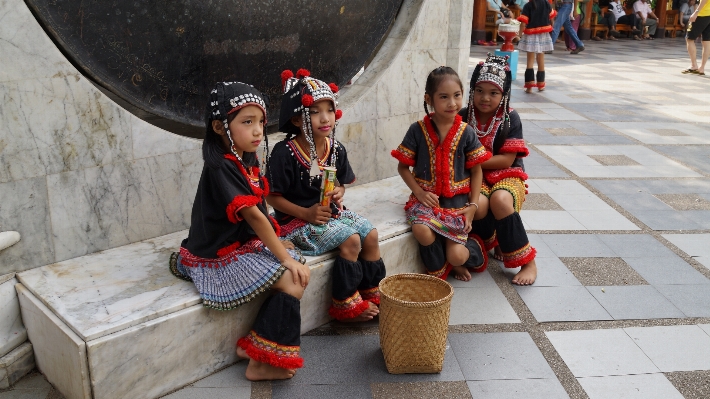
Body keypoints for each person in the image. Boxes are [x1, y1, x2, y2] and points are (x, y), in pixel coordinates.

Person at [169, 82, 310, 381]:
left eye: (260, 121)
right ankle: (260, 362)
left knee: (297, 273)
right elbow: (255, 217)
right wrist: (283, 256)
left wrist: (281, 247)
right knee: (292, 278)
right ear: (220, 127)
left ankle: (257, 351)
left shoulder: (245, 157)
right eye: (247, 122)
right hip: (217, 253)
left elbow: (261, 212)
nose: (259, 130)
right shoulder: (221, 166)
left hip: (240, 242)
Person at [267, 69, 386, 322]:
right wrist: (306, 213)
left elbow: (342, 184)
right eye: (315, 111)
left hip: (330, 215)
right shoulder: (284, 153)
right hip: (296, 223)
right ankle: (345, 304)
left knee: (371, 234)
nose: (325, 118)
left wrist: (339, 192)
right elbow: (272, 198)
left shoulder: (336, 149)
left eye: (330, 110)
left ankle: (372, 291)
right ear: (298, 119)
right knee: (352, 240)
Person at [391, 66, 489, 282]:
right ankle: (441, 268)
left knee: (457, 255)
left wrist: (472, 206)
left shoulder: (467, 132)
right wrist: (419, 192)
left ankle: (469, 253)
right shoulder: (417, 130)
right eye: (443, 97)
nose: (452, 103)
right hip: (428, 202)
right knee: (421, 231)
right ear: (429, 99)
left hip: (459, 203)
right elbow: (402, 167)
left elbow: (476, 170)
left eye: (457, 96)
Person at [459, 55, 538, 286]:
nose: (485, 98)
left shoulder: (510, 118)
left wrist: (472, 162)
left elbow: (506, 159)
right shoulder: (464, 115)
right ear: (472, 89)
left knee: (501, 199)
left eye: (493, 93)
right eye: (480, 90)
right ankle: (496, 239)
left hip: (507, 174)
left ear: (504, 94)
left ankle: (528, 262)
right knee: (480, 205)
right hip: (476, 176)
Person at [517, 0, 557, 91]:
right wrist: (551, 27)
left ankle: (529, 87)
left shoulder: (528, 5)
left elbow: (523, 23)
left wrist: (519, 34)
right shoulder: (546, 3)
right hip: (543, 33)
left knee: (530, 61)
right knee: (541, 59)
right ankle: (541, 85)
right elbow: (552, 18)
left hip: (531, 34)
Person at [683, 0, 710, 74]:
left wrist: (696, 12)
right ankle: (702, 68)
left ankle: (693, 65)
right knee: (707, 41)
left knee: (689, 38)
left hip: (703, 14)